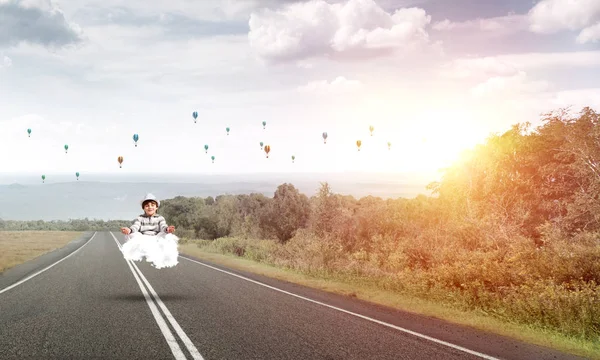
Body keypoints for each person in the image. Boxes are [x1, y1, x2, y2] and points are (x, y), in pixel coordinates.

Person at [119, 193, 179, 269]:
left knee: (167, 235)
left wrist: (168, 229)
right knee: (132, 234)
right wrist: (129, 230)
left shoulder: (160, 218)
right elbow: (136, 226)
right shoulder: (140, 218)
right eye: (147, 206)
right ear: (143, 208)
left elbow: (163, 226)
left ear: (156, 207)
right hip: (143, 237)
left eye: (152, 205)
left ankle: (165, 255)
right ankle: (138, 252)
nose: (150, 207)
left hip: (156, 237)